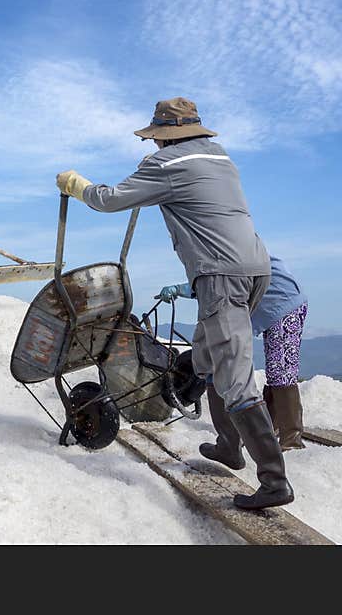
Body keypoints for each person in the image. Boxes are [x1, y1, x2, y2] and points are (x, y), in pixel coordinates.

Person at [55, 97, 293, 510]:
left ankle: (274, 481)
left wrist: (76, 184)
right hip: (256, 268)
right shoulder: (220, 157)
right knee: (206, 357)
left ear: (163, 137)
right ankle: (228, 445)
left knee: (233, 376)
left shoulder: (165, 164)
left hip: (220, 276)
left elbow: (109, 199)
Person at [157, 254, 308, 451]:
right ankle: (270, 429)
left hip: (284, 304)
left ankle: (292, 438)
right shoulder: (229, 244)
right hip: (268, 303)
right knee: (275, 370)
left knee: (281, 371)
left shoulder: (229, 249)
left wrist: (180, 289)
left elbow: (217, 283)